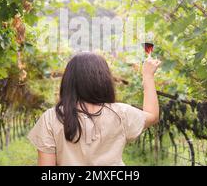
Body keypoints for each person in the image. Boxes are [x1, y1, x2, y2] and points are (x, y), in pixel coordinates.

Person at [27, 52, 161, 166]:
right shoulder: (121, 113)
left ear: (68, 81)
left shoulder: (52, 117)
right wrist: (148, 76)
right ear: (104, 79)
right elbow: (152, 115)